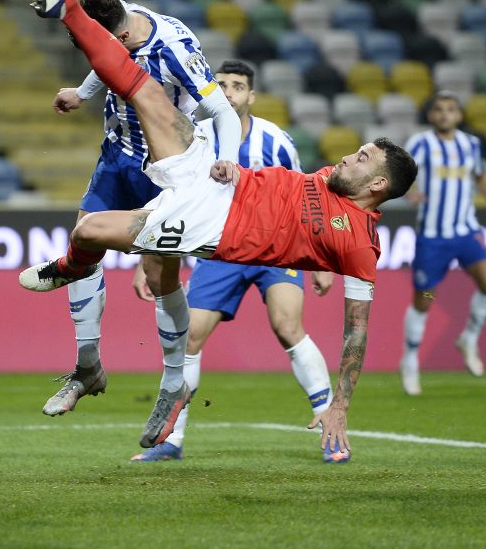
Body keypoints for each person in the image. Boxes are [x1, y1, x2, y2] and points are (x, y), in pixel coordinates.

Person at [24, 0, 418, 460]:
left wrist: (341, 405)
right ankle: (68, 8)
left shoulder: (360, 245)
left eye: (363, 158)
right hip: (216, 176)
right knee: (147, 92)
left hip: (212, 224)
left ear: (379, 187)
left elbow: (357, 334)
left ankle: (90, 287)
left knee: (89, 230)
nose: (349, 156)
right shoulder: (330, 177)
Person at [43, 0, 240, 424]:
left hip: (167, 169)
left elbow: (222, 111)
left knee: (157, 274)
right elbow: (106, 58)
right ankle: (87, 367)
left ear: (124, 35)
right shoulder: (121, 16)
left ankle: (175, 381)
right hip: (118, 154)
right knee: (83, 243)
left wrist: (228, 158)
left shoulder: (174, 49)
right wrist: (84, 92)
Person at [129, 59, 337, 462]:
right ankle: (171, 440)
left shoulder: (276, 140)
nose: (227, 92)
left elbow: (306, 200)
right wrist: (146, 262)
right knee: (189, 337)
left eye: (237, 86)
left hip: (275, 248)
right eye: (220, 84)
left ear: (251, 95)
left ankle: (331, 429)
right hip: (219, 249)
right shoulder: (195, 137)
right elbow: (172, 199)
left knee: (288, 326)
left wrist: (321, 260)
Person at [399, 92, 486, 396]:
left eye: (450, 109)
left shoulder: (470, 144)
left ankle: (469, 338)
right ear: (431, 115)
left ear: (459, 115)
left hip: (466, 232)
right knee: (425, 299)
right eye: (439, 109)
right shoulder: (420, 143)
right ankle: (410, 359)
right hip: (432, 237)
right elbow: (399, 172)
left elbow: (481, 177)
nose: (444, 114)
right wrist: (407, 191)